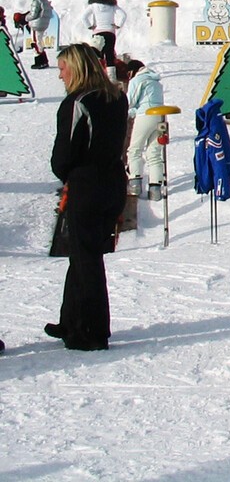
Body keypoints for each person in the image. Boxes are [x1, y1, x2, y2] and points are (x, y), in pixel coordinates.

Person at [46, 42, 127, 351]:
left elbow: (64, 154)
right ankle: (71, 319)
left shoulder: (77, 102)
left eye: (63, 69)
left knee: (86, 257)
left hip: (87, 184)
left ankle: (92, 330)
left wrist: (64, 172)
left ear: (76, 68)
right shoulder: (115, 96)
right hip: (112, 181)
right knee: (83, 252)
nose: (61, 76)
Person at [122, 58, 166, 200]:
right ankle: (155, 190)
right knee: (154, 153)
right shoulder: (156, 82)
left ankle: (135, 184)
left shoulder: (138, 80)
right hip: (160, 117)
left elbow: (130, 102)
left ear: (132, 72)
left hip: (144, 117)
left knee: (135, 150)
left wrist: (125, 112)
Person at [81, 0, 126, 73]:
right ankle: (111, 77)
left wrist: (89, 26)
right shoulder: (112, 6)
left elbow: (84, 17)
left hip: (98, 33)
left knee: (97, 56)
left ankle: (98, 75)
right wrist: (118, 25)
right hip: (110, 32)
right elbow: (123, 15)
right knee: (110, 56)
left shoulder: (93, 6)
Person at [27, 0, 53, 68]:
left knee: (36, 42)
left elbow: (33, 14)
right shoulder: (45, 1)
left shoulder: (36, 1)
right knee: (40, 41)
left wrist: (26, 17)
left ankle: (39, 61)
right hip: (43, 24)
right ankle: (44, 60)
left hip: (36, 25)